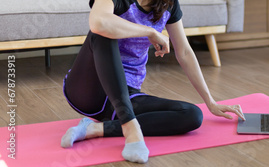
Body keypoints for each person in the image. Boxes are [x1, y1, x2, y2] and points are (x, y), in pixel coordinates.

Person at [60, 0, 245, 163]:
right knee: (103, 31)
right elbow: (98, 22)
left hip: (124, 95)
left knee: (192, 115)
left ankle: (95, 129)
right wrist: (149, 31)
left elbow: (185, 53)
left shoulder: (169, 3)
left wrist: (210, 102)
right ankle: (131, 130)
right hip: (87, 90)